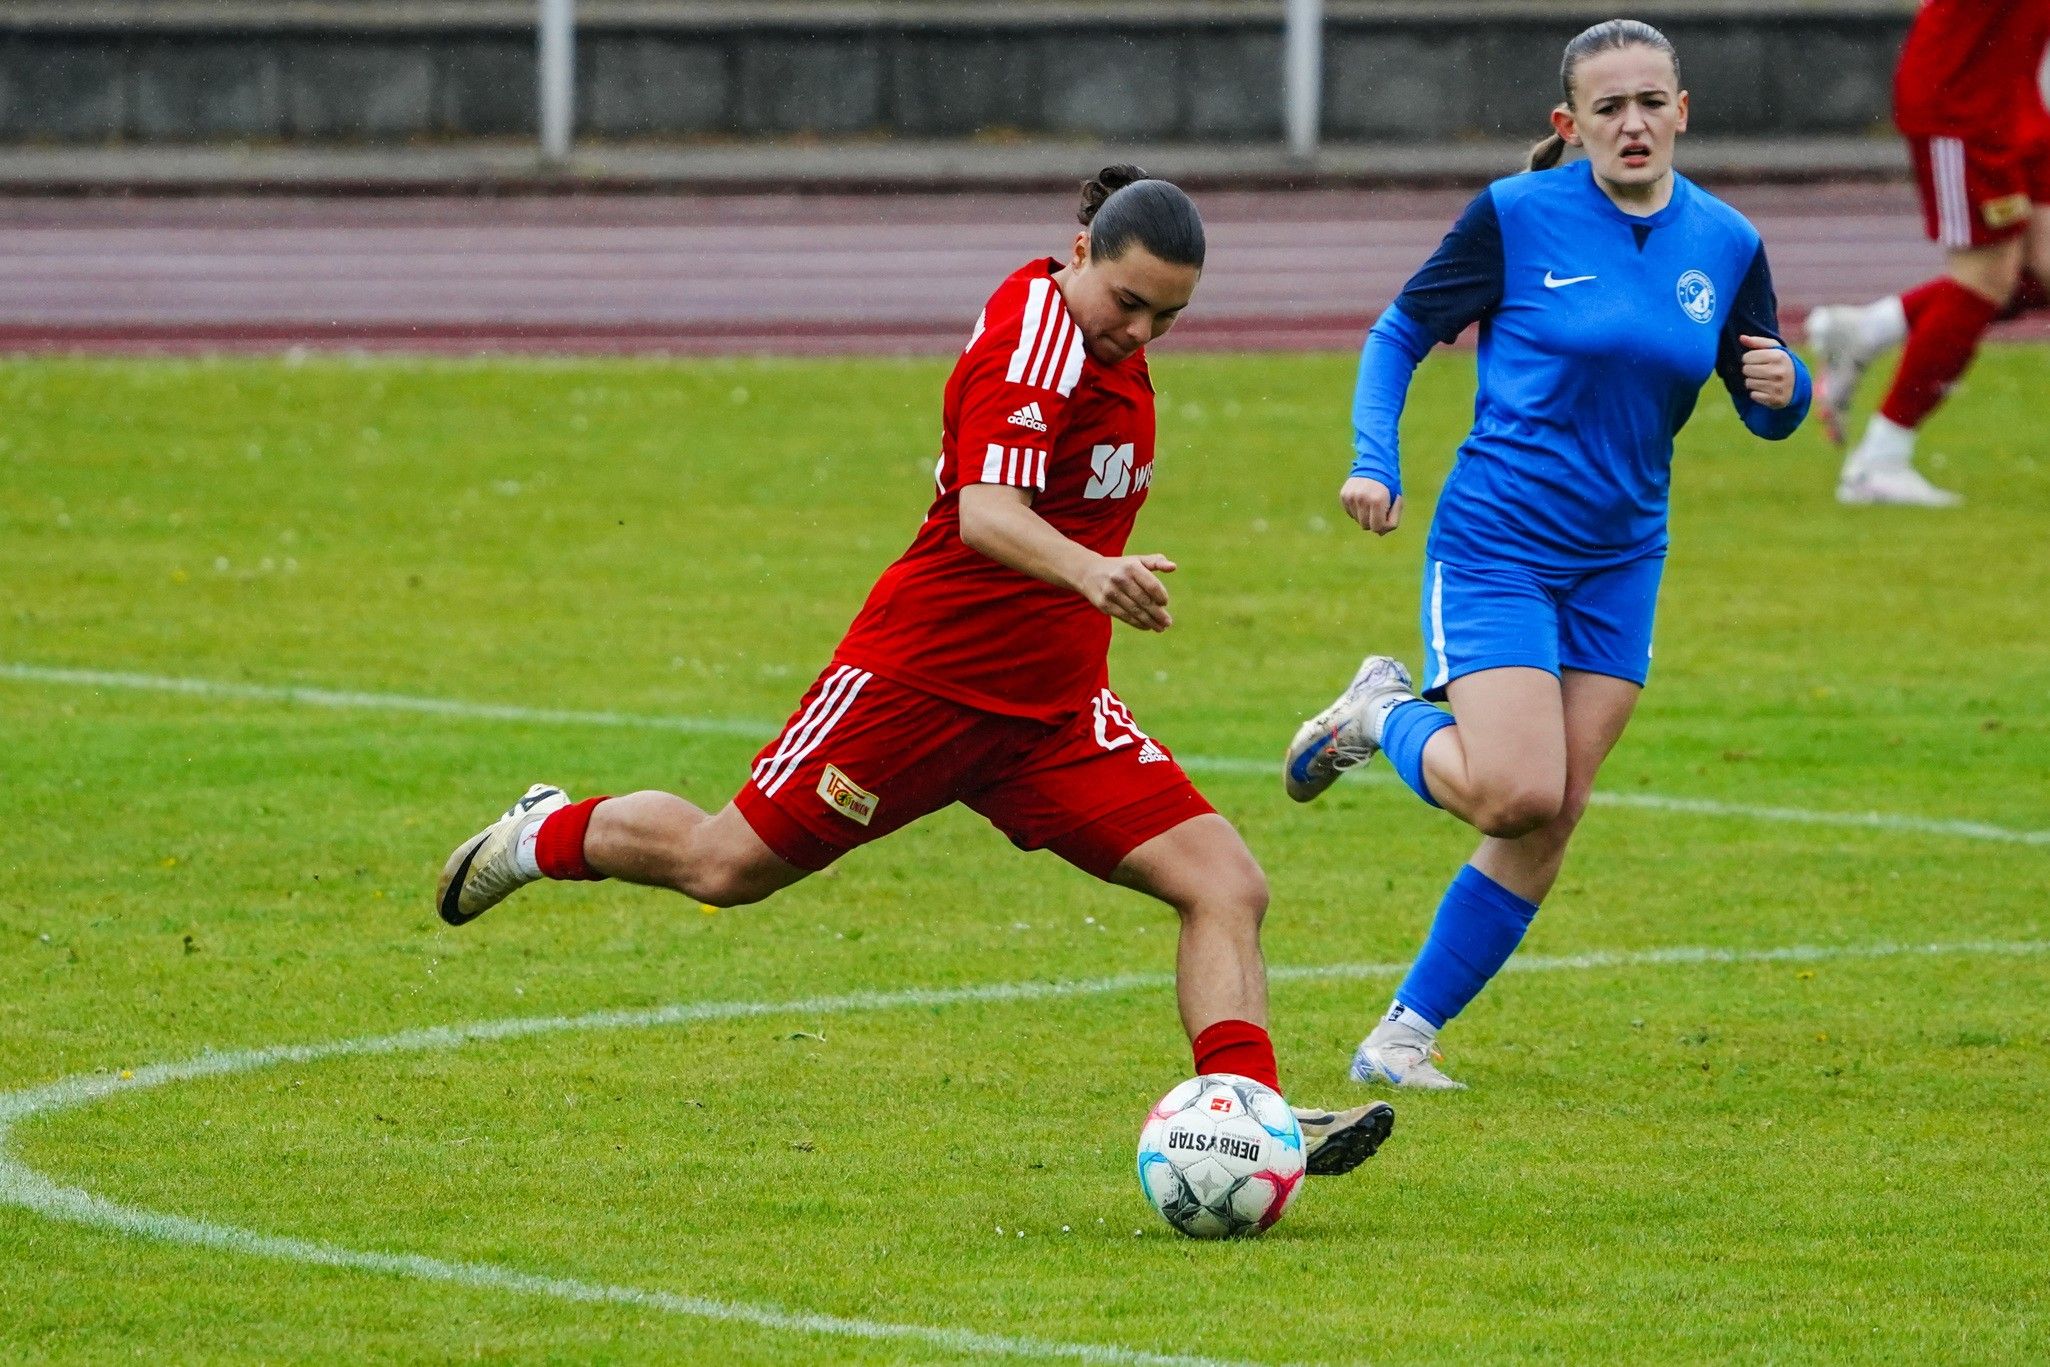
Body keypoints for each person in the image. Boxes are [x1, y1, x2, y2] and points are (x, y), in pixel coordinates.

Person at [436, 167, 1394, 1172]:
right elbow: (986, 513)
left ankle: (1247, 1119)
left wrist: (1085, 582)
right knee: (724, 867)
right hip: (918, 686)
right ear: (1080, 256)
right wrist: (1092, 570)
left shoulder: (1099, 326)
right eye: (1130, 302)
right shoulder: (1034, 344)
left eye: (1170, 315)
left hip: (1049, 714)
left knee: (1225, 882)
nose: (1144, 332)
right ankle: (543, 830)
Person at [1281, 22, 1810, 1090]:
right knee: (1514, 791)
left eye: (1650, 102)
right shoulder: (1515, 218)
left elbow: (1760, 395)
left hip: (1621, 559)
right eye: (1608, 107)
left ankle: (1401, 1036)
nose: (1633, 124)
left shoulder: (1727, 240)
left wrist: (1786, 391)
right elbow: (1397, 334)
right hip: (1497, 545)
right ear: (1569, 125)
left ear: (1682, 111)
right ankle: (1378, 713)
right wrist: (1372, 460)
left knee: (1555, 807)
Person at [1807, 0, 2050, 506]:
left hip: (2013, 87)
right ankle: (1879, 461)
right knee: (1985, 277)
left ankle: (1871, 328)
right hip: (1964, 98)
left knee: (2038, 270)